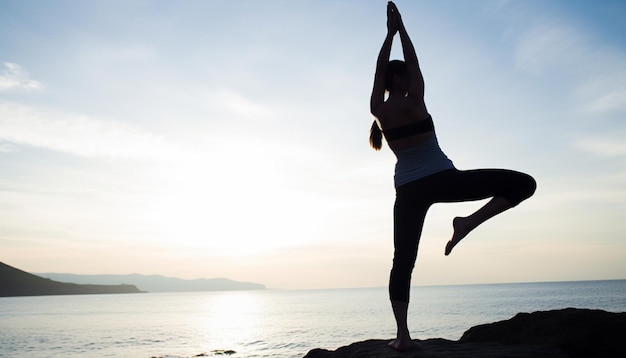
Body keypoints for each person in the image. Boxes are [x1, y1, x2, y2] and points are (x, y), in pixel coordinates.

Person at [369, 2, 536, 351]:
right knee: (524, 183)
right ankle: (468, 223)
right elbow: (412, 63)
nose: (408, 76)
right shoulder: (415, 99)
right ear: (399, 80)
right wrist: (401, 31)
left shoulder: (379, 110)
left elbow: (379, 69)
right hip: (443, 179)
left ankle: (402, 336)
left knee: (403, 260)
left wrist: (388, 35)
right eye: (403, 75)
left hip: (409, 189)